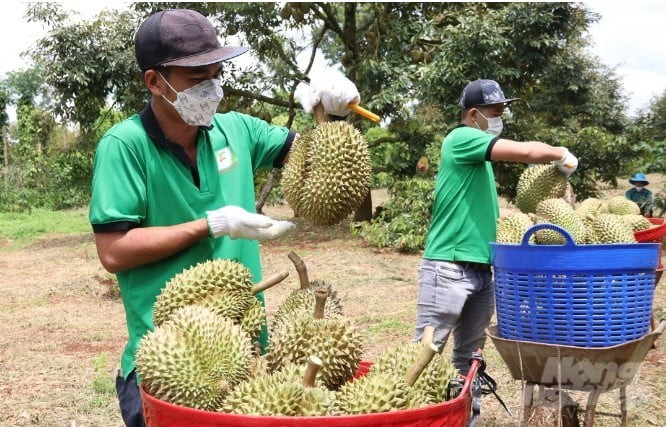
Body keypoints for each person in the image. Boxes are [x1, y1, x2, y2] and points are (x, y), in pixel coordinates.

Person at [89, 9, 360, 426]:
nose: (212, 89)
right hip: (173, 361)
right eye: (198, 81)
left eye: (216, 76)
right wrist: (212, 224)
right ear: (155, 82)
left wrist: (331, 112)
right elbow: (113, 251)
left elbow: (318, 163)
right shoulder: (124, 146)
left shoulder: (237, 130)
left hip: (250, 354)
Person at [412, 79, 578, 373]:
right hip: (448, 266)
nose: (499, 118)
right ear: (474, 114)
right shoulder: (461, 137)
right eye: (495, 111)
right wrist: (560, 153)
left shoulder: (480, 159)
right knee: (422, 359)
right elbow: (526, 152)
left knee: (471, 360)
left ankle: (465, 417)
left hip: (481, 270)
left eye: (502, 111)